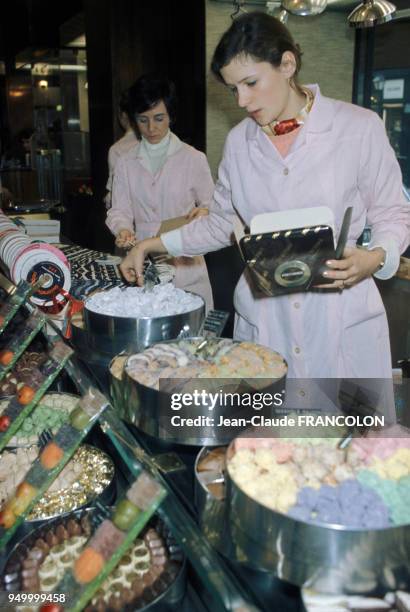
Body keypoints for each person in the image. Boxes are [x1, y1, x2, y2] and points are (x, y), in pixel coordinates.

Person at [119, 13, 410, 381]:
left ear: (287, 64)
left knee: (344, 434)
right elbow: (222, 221)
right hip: (266, 320)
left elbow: (394, 213)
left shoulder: (358, 128)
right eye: (233, 89)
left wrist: (376, 257)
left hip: (340, 316)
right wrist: (151, 244)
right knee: (271, 433)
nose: (242, 100)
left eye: (251, 83)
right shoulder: (240, 142)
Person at [106, 74, 214, 310]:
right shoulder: (125, 162)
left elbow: (212, 206)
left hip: (185, 254)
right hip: (142, 256)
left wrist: (204, 212)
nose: (151, 128)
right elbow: (119, 209)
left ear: (171, 116)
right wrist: (123, 228)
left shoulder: (193, 158)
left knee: (191, 333)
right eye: (143, 120)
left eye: (159, 118)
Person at [105, 89, 138, 209]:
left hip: (130, 221)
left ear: (123, 115)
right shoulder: (157, 143)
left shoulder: (117, 149)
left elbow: (116, 195)